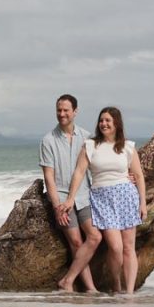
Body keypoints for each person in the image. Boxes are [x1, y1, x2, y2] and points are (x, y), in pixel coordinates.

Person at [58, 106, 147, 294]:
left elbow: (138, 176)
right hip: (102, 199)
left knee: (128, 248)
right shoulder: (90, 145)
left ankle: (129, 293)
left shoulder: (128, 147)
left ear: (116, 123)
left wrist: (143, 203)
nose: (104, 124)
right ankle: (115, 283)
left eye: (108, 120)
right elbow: (79, 173)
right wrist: (70, 199)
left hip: (126, 197)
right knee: (115, 247)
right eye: (101, 120)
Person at [39, 94, 102, 292]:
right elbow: (49, 177)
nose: (62, 114)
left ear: (75, 111)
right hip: (61, 196)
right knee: (75, 241)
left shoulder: (87, 137)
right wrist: (57, 206)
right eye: (59, 110)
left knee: (95, 237)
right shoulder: (48, 140)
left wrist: (129, 177)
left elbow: (100, 165)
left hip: (83, 196)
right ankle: (90, 288)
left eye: (66, 110)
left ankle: (68, 279)